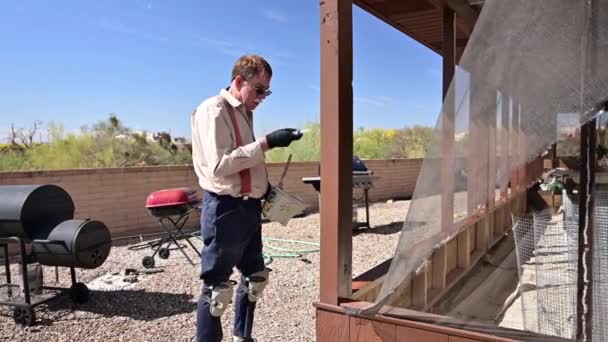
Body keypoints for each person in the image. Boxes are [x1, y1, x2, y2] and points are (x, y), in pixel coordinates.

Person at [191, 54, 303, 342]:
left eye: (267, 91)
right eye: (259, 89)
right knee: (217, 291)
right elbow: (219, 166)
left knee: (256, 279)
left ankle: (243, 336)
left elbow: (246, 166)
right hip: (225, 210)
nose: (263, 97)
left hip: (249, 209)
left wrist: (267, 194)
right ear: (239, 81)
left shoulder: (244, 113)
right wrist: (266, 143)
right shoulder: (213, 110)